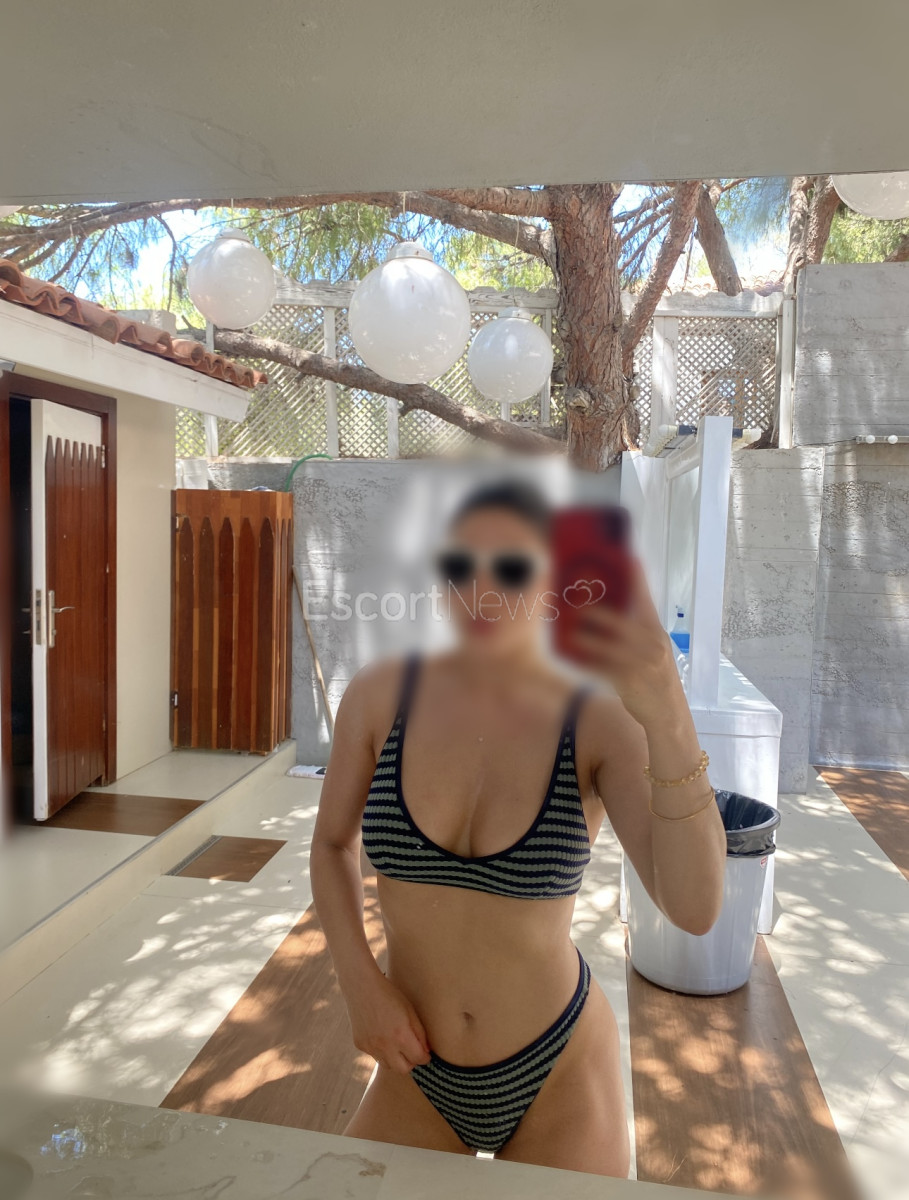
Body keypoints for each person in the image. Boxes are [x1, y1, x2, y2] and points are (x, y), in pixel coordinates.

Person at [310, 479, 727, 1177]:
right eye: (457, 566)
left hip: (558, 1070)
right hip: (416, 1070)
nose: (479, 590)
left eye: (508, 567)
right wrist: (358, 981)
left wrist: (668, 717)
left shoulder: (596, 718)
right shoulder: (380, 696)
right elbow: (331, 845)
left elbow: (694, 909)